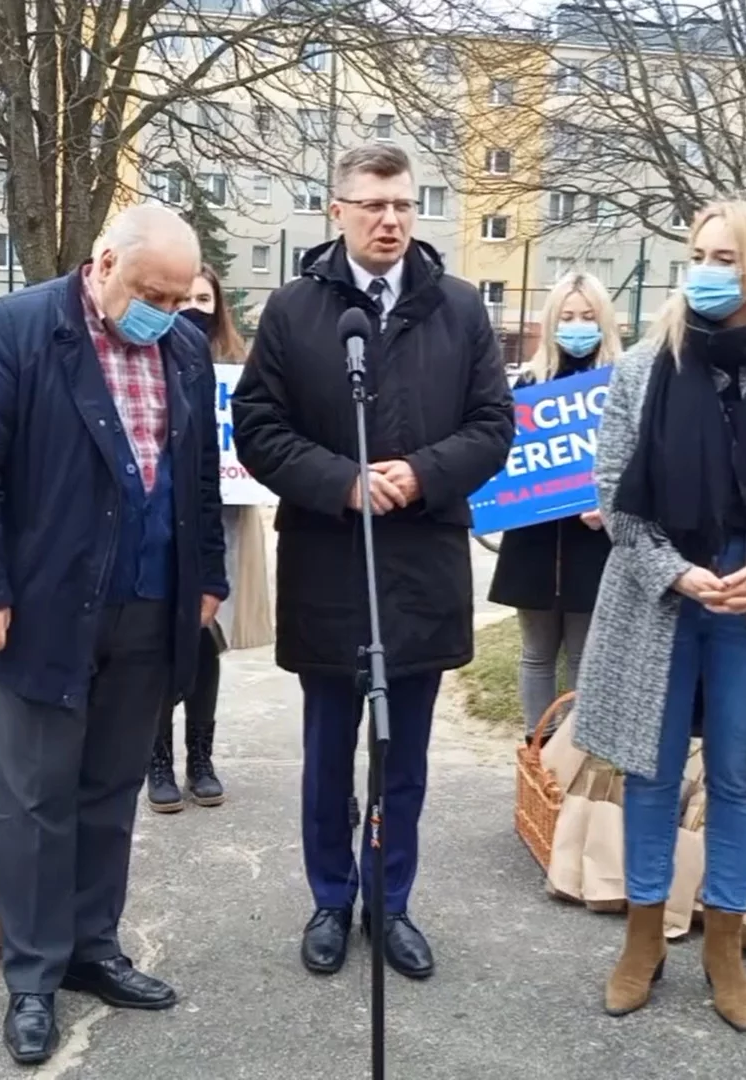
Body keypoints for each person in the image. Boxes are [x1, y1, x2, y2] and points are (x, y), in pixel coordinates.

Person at [0, 203, 228, 1067]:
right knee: (34, 800)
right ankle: (32, 979)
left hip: (149, 601)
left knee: (108, 792)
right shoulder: (20, 329)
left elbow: (200, 473)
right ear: (104, 265)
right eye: (152, 293)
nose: (165, 312)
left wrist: (206, 577)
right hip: (44, 608)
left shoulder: (181, 349)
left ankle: (94, 947)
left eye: (180, 298)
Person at [570, 200, 746, 1031]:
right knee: (650, 774)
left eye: (726, 257)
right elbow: (614, 497)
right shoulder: (644, 368)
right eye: (698, 254)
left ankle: (723, 946)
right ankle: (642, 937)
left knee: (741, 775)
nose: (706, 270)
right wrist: (676, 572)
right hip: (664, 595)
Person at [233, 143, 514, 981]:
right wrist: (342, 482)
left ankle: (391, 903)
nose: (390, 220)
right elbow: (258, 427)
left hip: (421, 563)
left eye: (402, 206)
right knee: (327, 749)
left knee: (405, 754)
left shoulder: (459, 308)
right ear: (338, 211)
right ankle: (330, 898)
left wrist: (423, 473)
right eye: (373, 205)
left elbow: (493, 423)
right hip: (328, 559)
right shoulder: (293, 309)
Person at [486, 271, 622, 730]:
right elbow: (504, 458)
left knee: (586, 656)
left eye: (587, 316)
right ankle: (538, 749)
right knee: (536, 654)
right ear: (550, 321)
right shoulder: (526, 385)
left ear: (605, 321)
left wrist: (612, 507)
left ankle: (579, 756)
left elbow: (643, 460)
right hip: (534, 542)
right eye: (567, 316)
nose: (577, 325)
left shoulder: (623, 384)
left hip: (596, 542)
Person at [145, 264, 246, 812]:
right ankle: (156, 757)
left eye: (204, 300)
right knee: (157, 643)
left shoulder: (230, 359)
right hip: (161, 521)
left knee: (207, 640)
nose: (193, 310)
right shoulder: (148, 352)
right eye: (184, 300)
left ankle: (199, 756)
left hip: (216, 522)